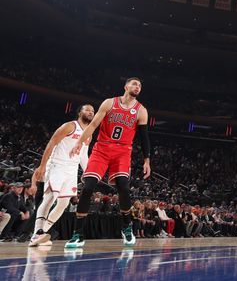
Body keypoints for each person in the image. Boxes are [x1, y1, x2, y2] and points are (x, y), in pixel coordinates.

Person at [64, 77, 151, 249]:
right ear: (126, 87)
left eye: (140, 85)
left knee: (124, 188)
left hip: (123, 151)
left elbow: (144, 137)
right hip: (102, 149)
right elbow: (93, 124)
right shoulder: (109, 103)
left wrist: (147, 159)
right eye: (134, 84)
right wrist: (80, 142)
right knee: (88, 188)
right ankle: (78, 234)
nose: (137, 87)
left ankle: (126, 227)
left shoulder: (141, 111)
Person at [29, 104, 94, 246]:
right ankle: (37, 233)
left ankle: (42, 233)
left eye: (93, 111)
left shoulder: (89, 133)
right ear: (79, 112)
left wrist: (89, 172)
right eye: (87, 109)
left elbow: (83, 155)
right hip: (57, 165)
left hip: (71, 170)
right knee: (50, 197)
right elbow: (51, 143)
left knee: (63, 204)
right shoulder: (69, 126)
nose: (90, 112)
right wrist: (42, 165)